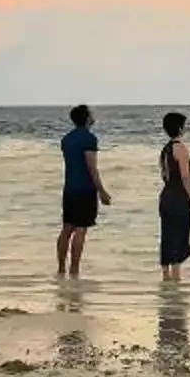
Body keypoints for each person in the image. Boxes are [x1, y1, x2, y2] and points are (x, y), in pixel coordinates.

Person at [57, 103, 109, 278]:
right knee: (81, 229)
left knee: (67, 229)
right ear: (87, 118)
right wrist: (101, 190)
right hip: (85, 190)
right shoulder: (89, 139)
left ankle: (61, 268)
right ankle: (74, 270)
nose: (94, 116)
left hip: (70, 188)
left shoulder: (66, 139)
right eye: (91, 114)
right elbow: (91, 167)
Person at [156, 111, 190, 282]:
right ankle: (176, 276)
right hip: (178, 196)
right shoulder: (180, 147)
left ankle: (166, 276)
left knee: (167, 235)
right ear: (180, 128)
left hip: (166, 196)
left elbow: (164, 174)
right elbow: (185, 176)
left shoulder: (165, 150)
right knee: (179, 235)